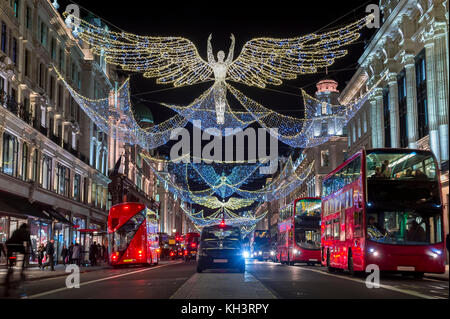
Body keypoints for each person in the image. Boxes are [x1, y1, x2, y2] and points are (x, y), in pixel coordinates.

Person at [4, 223, 32, 296]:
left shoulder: (16, 230)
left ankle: (11, 266)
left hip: (9, 245)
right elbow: (28, 242)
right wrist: (30, 252)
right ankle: (22, 268)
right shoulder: (26, 231)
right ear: (26, 227)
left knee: (11, 260)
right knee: (24, 254)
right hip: (18, 246)